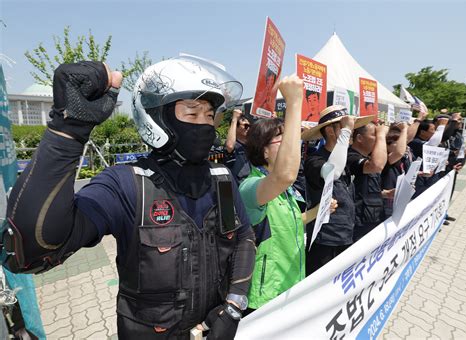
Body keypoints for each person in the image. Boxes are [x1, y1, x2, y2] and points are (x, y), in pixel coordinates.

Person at [2, 56, 256, 340]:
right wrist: (68, 130)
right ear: (158, 116)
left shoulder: (221, 178)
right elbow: (32, 249)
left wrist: (234, 306)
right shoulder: (126, 183)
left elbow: (244, 237)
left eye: (210, 115)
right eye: (192, 112)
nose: (205, 124)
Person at [238, 75, 322, 311]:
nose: (290, 145)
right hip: (266, 297)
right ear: (263, 151)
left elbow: (291, 223)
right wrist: (295, 103)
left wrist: (319, 210)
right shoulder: (251, 187)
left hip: (292, 284)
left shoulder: (286, 192)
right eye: (282, 140)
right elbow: (285, 175)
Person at [303, 105, 373, 274]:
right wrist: (347, 130)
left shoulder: (346, 157)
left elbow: (375, 165)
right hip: (325, 239)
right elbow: (332, 172)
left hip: (346, 234)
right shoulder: (315, 160)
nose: (351, 132)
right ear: (330, 131)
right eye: (343, 126)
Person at [381, 122, 411, 217]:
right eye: (399, 142)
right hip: (387, 205)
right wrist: (404, 129)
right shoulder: (385, 159)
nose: (403, 145)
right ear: (387, 145)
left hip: (398, 202)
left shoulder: (402, 160)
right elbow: (398, 152)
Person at [224, 109, 251, 185]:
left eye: (249, 125)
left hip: (253, 181)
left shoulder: (252, 143)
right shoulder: (233, 144)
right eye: (245, 126)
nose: (248, 128)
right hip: (240, 184)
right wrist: (234, 119)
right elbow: (229, 146)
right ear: (235, 127)